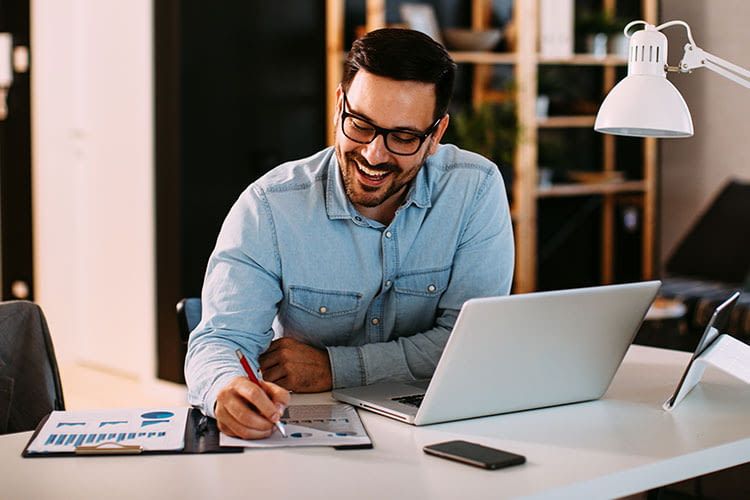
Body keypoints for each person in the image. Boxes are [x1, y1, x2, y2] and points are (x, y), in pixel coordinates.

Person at [185, 28, 514, 439]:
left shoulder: (474, 189)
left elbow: (466, 342)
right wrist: (225, 389)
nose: (374, 154)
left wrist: (333, 367)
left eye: (404, 137)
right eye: (360, 124)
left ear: (436, 135)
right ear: (339, 105)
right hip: (311, 437)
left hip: (437, 428)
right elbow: (219, 340)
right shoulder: (270, 206)